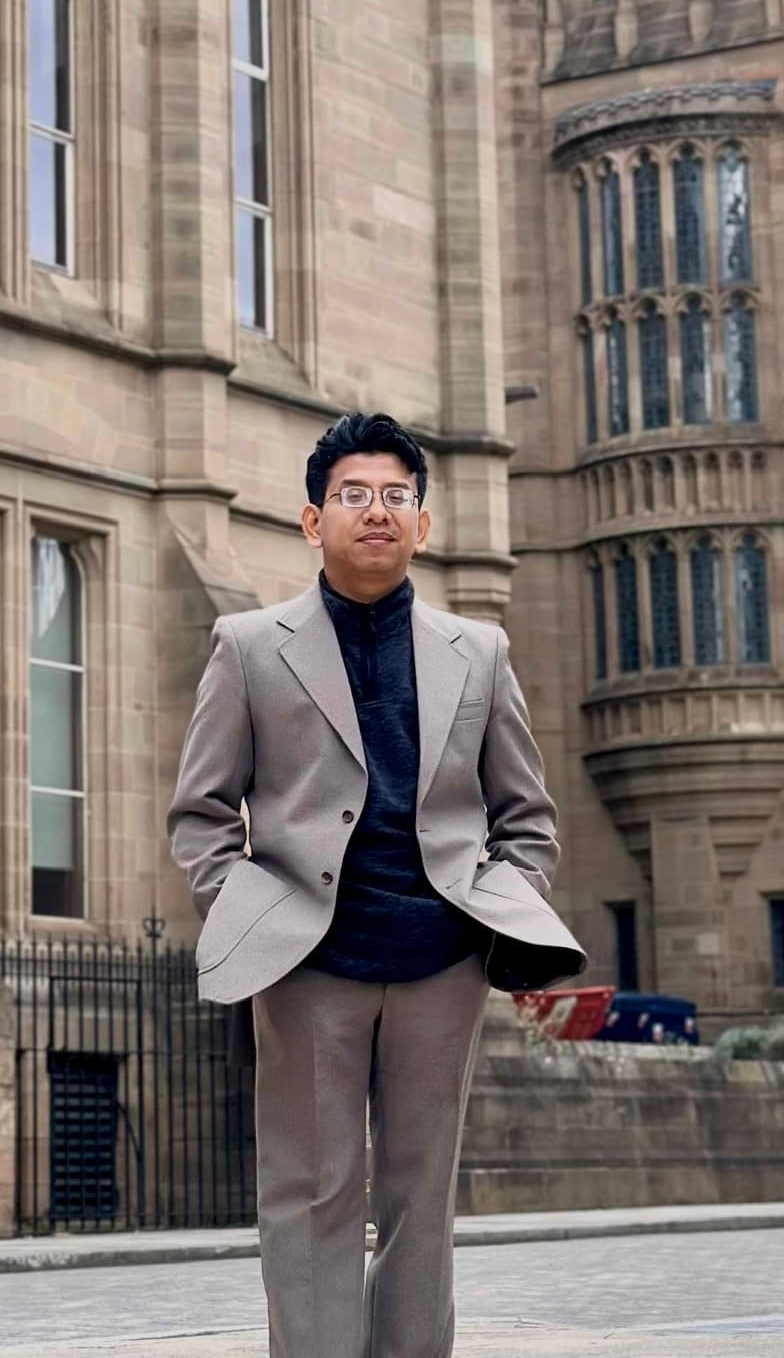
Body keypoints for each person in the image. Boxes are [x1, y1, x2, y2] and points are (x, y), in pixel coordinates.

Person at [168, 409, 584, 1358]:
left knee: (419, 1197)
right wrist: (246, 911)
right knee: (310, 1193)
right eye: (354, 495)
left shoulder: (478, 652)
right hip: (309, 961)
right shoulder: (247, 645)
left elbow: (526, 814)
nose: (377, 512)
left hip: (441, 962)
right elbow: (201, 811)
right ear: (313, 520)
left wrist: (500, 904)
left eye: (397, 497)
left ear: (423, 524)